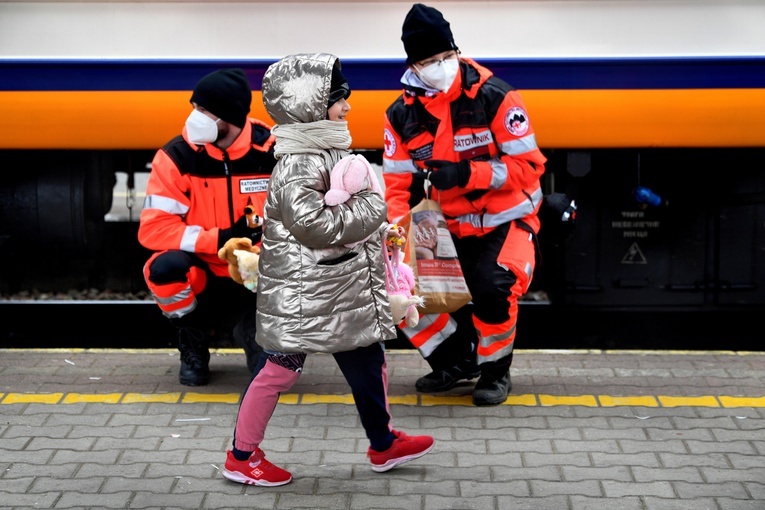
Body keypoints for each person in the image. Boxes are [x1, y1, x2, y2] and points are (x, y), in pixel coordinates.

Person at [222, 53, 434, 486]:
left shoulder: (321, 148)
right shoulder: (300, 162)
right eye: (340, 99)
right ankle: (242, 456)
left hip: (334, 288)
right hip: (304, 295)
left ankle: (383, 444)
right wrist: (374, 209)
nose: (348, 106)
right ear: (312, 108)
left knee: (368, 358)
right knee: (278, 369)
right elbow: (317, 227)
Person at [382, 4, 547, 406]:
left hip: (505, 220)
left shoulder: (496, 96)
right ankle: (456, 360)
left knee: (493, 287)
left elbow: (528, 166)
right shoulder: (400, 114)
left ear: (456, 52)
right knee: (395, 286)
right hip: (444, 225)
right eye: (429, 61)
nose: (441, 66)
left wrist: (466, 175)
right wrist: (394, 238)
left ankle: (494, 373)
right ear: (414, 66)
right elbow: (396, 184)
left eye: (447, 57)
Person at [138, 68, 276, 386]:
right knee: (164, 268)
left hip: (258, 271)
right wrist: (218, 240)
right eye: (195, 107)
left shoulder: (272, 152)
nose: (194, 117)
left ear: (228, 117)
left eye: (203, 110)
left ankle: (258, 333)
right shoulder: (177, 157)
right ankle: (193, 341)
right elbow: (153, 229)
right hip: (203, 272)